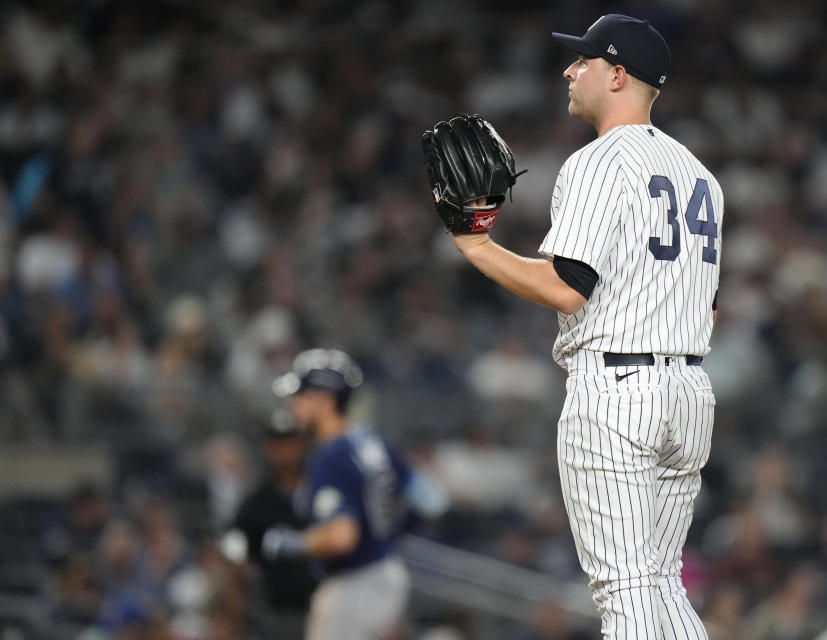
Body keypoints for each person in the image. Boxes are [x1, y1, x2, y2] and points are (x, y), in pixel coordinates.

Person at [446, 14, 723, 639]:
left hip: (618, 395)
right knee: (659, 583)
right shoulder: (700, 176)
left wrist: (476, 246)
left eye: (585, 60)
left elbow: (565, 288)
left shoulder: (599, 162)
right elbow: (706, 309)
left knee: (624, 590)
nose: (570, 70)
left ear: (618, 75)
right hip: (688, 394)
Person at [262, 348, 446, 640]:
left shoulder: (332, 454)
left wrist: (293, 544)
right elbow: (432, 501)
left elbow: (341, 537)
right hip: (386, 574)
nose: (292, 404)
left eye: (300, 395)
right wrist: (386, 537)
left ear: (324, 399)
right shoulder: (372, 441)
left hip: (355, 585)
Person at [225, 410, 315, 638]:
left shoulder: (323, 491)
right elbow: (236, 553)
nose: (283, 451)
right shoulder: (256, 503)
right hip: (282, 614)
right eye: (276, 444)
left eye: (289, 442)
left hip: (332, 606)